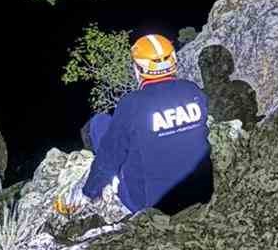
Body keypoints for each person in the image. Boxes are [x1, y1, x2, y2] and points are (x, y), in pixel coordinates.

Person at [55, 33, 212, 219]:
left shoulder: (133, 103)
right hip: (202, 195)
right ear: (174, 62)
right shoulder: (192, 90)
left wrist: (86, 194)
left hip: (153, 205)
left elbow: (109, 158)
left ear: (139, 69)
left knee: (100, 123)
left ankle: (110, 186)